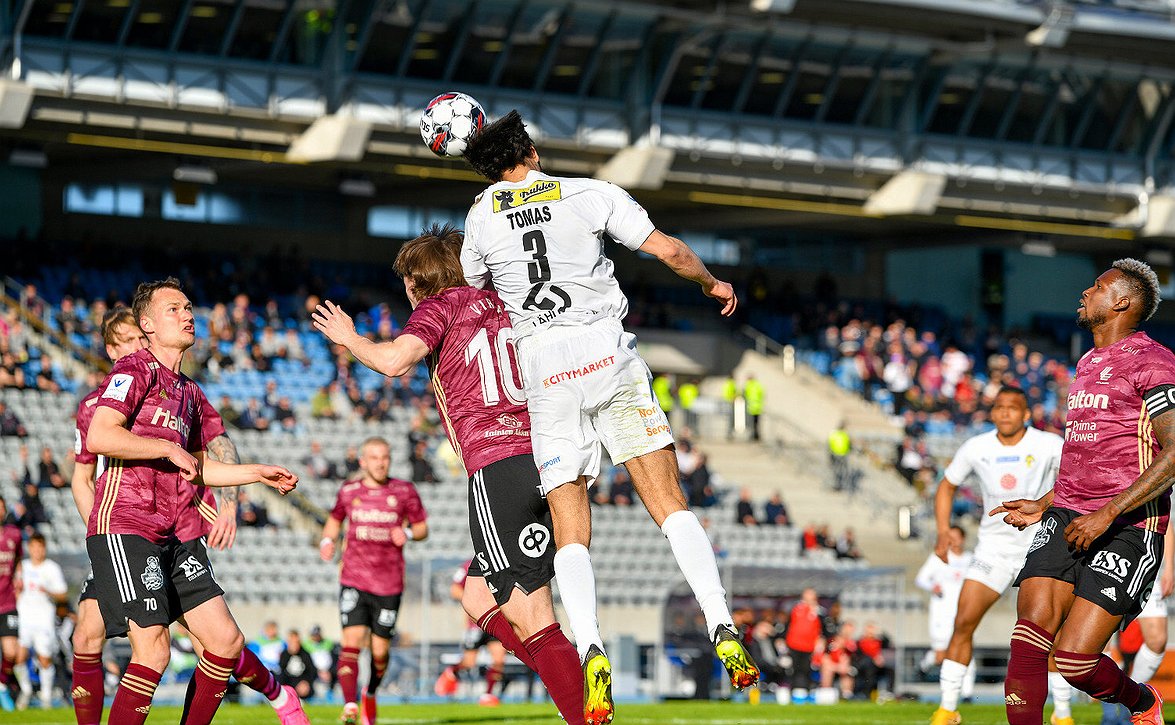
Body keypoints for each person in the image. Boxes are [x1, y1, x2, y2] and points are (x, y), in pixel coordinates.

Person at [460, 110, 758, 720]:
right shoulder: (590, 194)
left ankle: (591, 645)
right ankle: (721, 621)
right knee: (669, 503)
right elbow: (668, 250)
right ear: (533, 151)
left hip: (545, 371)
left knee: (571, 528)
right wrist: (710, 283)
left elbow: (474, 283)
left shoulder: (481, 214)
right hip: (606, 352)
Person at [313, 224, 589, 724]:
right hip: (546, 457)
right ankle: (569, 676)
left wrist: (349, 337)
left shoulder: (440, 307)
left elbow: (395, 362)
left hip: (496, 463)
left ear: (419, 283)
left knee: (533, 614)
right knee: (479, 594)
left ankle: (584, 700)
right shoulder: (507, 303)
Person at [70, 305, 309, 725]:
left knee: (223, 642)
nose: (186, 316)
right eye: (174, 309)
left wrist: (253, 476)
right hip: (125, 527)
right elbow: (93, 454)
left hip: (177, 529)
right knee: (109, 638)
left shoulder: (188, 393)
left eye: (188, 309)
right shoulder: (125, 380)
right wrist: (105, 548)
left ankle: (274, 690)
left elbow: (210, 452)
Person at [995, 259, 1173, 725]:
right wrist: (1045, 502)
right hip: (1067, 515)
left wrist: (1106, 514)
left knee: (1074, 662)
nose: (1084, 293)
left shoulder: (1154, 360)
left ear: (1121, 301)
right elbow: (1088, 458)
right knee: (1029, 636)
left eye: (1097, 286)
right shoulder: (1087, 361)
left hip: (1130, 525)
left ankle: (1142, 701)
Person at [929, 387, 1066, 725]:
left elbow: (1073, 480)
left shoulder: (1049, 444)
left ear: (1025, 414)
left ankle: (1062, 714)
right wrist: (944, 529)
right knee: (962, 622)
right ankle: (948, 709)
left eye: (1013, 407)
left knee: (1044, 634)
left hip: (1040, 546)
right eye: (999, 407)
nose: (1005, 413)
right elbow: (946, 485)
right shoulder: (976, 447)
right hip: (992, 549)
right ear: (992, 413)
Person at [319, 437, 428, 725]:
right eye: (375, 457)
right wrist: (327, 540)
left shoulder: (404, 491)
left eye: (385, 457)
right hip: (354, 577)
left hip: (389, 584)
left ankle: (371, 693)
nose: (381, 462)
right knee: (351, 641)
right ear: (363, 461)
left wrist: (407, 533)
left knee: (379, 653)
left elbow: (422, 528)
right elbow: (334, 519)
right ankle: (350, 705)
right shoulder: (349, 490)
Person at [434, 560, 508, 706]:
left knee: (499, 660)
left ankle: (488, 695)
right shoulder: (468, 566)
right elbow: (454, 589)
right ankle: (451, 672)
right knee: (469, 662)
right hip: (476, 624)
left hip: (497, 621)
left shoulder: (500, 562)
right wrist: (474, 602)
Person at [13, 533, 66, 710]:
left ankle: (46, 696)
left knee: (44, 659)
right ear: (29, 548)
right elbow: (14, 588)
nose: (37, 551)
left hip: (44, 620)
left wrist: (48, 591)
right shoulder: (22, 567)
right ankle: (26, 690)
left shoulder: (52, 568)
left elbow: (62, 594)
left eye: (40, 547)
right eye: (34, 547)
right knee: (18, 658)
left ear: (44, 548)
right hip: (25, 618)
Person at [915, 525, 973, 683]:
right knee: (941, 655)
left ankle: (967, 693)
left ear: (963, 539)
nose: (953, 541)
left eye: (956, 537)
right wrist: (932, 586)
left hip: (963, 611)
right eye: (950, 538)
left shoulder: (970, 559)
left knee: (965, 649)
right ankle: (926, 664)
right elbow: (920, 579)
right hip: (941, 612)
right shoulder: (938, 557)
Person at [785, 588, 822, 703]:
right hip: (794, 645)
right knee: (794, 669)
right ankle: (793, 693)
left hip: (809, 647)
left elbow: (822, 630)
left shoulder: (819, 611)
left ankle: (805, 692)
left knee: (806, 670)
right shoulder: (796, 608)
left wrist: (819, 643)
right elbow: (788, 624)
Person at [0, 496, 19, 711]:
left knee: (11, 653)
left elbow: (18, 561)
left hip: (8, 603)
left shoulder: (14, 535)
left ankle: (2, 684)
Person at [278, 630, 316, 700]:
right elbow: (282, 672)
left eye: (296, 642)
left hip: (302, 683)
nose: (294, 645)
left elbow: (312, 671)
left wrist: (306, 682)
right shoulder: (284, 655)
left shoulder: (305, 654)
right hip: (289, 682)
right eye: (291, 642)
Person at [744, 375, 764, 441]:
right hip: (758, 407)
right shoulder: (758, 385)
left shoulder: (748, 385)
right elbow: (762, 394)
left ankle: (753, 436)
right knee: (756, 423)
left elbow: (745, 394)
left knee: (751, 423)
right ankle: (757, 436)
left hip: (751, 407)